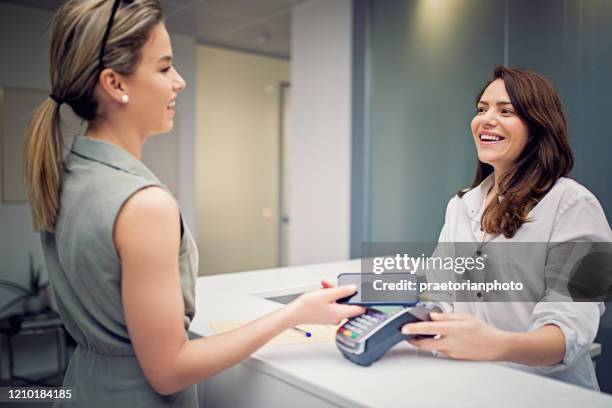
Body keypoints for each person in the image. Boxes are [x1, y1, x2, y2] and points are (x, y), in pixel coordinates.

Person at [23, 1, 364, 406]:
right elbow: (169, 370)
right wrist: (294, 314)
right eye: (165, 67)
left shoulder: (68, 175)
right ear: (115, 84)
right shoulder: (145, 206)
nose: (179, 81)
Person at [401, 66, 611, 390]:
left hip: (546, 393)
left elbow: (568, 333)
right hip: (467, 386)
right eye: (482, 109)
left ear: (538, 126)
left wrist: (495, 344)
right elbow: (439, 294)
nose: (486, 118)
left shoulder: (573, 205)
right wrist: (389, 310)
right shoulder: (460, 206)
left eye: (506, 111)